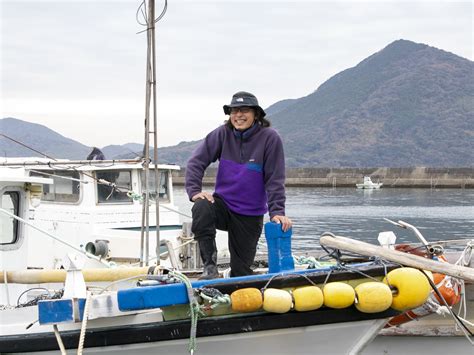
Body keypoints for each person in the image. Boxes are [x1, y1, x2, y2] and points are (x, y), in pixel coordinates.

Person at [185, 91, 292, 279]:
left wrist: (277, 213)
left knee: (241, 274)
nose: (238, 115)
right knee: (201, 206)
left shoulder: (270, 138)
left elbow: (275, 179)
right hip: (224, 206)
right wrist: (195, 191)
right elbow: (196, 162)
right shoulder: (222, 134)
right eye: (234, 111)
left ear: (256, 114)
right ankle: (210, 268)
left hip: (250, 214)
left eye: (244, 110)